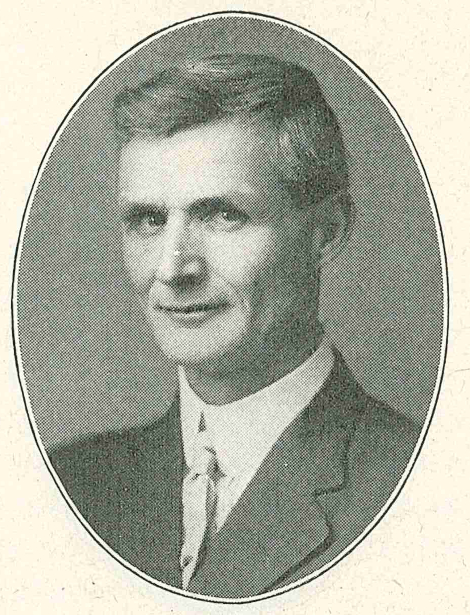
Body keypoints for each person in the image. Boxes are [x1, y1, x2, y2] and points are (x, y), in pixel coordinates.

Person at [49, 53, 419, 599]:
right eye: (149, 220)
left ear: (326, 232)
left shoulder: (419, 481)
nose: (173, 269)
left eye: (224, 216)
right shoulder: (70, 484)